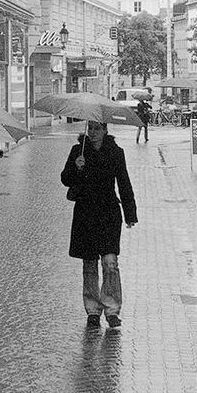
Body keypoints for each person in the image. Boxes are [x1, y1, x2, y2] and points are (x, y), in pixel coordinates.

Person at [60, 120, 138, 328]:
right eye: (90, 128)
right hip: (85, 212)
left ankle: (112, 309)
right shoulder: (78, 150)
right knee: (89, 263)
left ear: (105, 130)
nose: (93, 132)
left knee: (110, 262)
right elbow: (65, 179)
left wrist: (130, 213)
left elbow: (124, 182)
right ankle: (92, 309)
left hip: (108, 212)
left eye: (97, 128)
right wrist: (77, 167)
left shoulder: (115, 152)